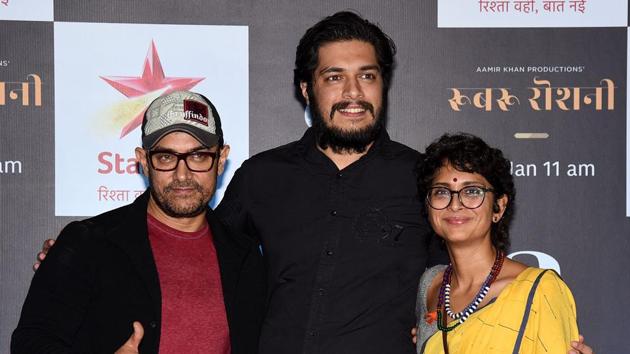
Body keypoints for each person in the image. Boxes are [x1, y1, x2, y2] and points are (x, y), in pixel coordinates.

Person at [33, 11, 593, 354]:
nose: (353, 92)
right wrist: (85, 260)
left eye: (367, 76)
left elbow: (468, 271)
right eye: (334, 77)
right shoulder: (261, 178)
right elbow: (189, 250)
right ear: (307, 90)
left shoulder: (423, 179)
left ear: (383, 86)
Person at [14, 91, 265, 354]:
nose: (182, 175)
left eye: (198, 156)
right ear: (144, 161)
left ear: (221, 159)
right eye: (166, 157)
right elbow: (30, 343)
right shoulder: (88, 245)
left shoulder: (244, 255)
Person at [414, 133, 580, 354]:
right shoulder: (432, 285)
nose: (455, 204)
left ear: (499, 207)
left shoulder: (539, 290)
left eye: (472, 191)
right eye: (442, 192)